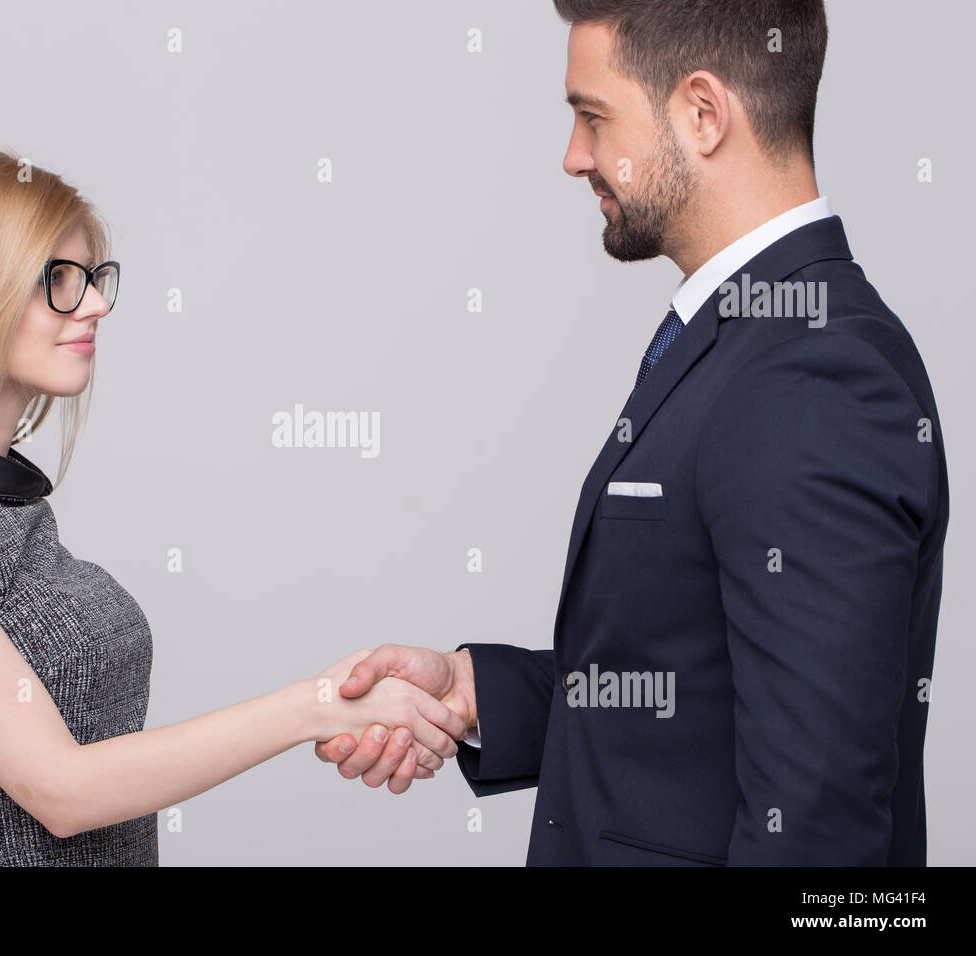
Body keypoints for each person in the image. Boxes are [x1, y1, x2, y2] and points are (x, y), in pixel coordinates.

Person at [318, 0, 949, 866]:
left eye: (591, 116)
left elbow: (819, 819)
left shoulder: (814, 372)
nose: (574, 157)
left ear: (702, 113)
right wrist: (475, 696)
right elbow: (693, 688)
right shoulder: (745, 338)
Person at [0, 145, 466, 866]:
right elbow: (62, 791)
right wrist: (318, 704)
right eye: (59, 280)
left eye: (94, 277)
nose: (95, 302)